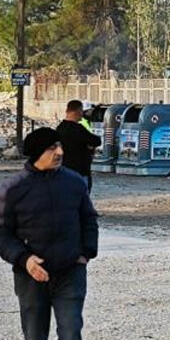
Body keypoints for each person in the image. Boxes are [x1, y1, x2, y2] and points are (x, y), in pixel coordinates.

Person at [0, 128, 99, 340]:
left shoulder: (74, 183)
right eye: (52, 148)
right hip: (32, 277)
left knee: (71, 332)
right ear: (36, 153)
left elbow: (89, 219)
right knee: (35, 335)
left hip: (70, 272)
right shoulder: (13, 189)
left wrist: (85, 254)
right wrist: (24, 260)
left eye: (60, 146)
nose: (60, 152)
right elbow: (2, 233)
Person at [56, 100, 102, 193]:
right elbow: (96, 141)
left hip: (64, 170)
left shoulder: (60, 128)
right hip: (80, 171)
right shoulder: (78, 129)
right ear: (79, 111)